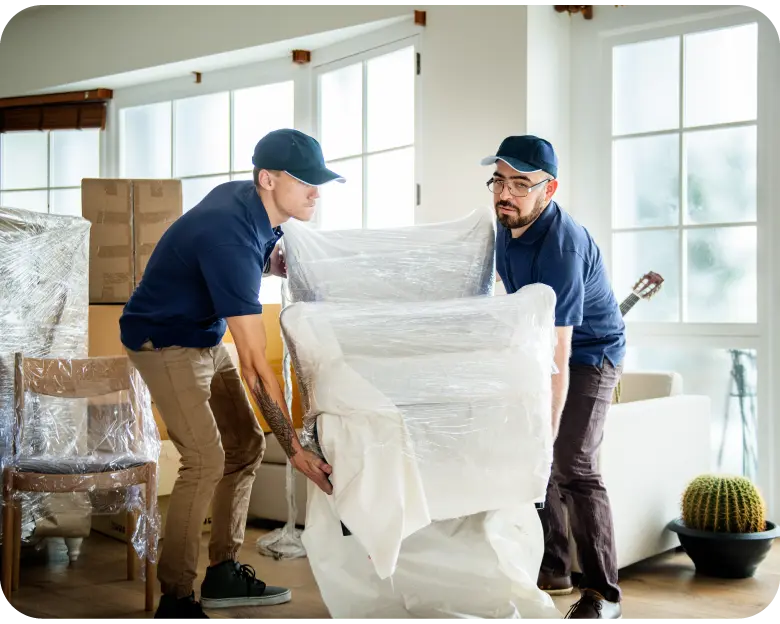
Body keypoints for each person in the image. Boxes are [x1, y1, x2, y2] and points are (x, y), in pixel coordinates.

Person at [119, 128, 344, 622]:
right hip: (163, 340)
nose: (316, 192)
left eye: (319, 182)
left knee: (244, 445)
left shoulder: (251, 205)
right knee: (204, 459)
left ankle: (222, 572)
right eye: (305, 181)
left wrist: (272, 263)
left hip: (203, 334)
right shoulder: (229, 234)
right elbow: (255, 367)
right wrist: (296, 451)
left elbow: (233, 259)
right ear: (268, 179)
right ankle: (176, 600)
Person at [481, 135, 626, 620]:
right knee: (533, 450)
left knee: (572, 462)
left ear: (549, 189)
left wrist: (547, 426)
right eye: (499, 180)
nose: (506, 193)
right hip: (537, 345)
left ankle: (604, 595)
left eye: (521, 184)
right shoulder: (507, 223)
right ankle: (554, 567)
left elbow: (560, 354)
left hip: (590, 353)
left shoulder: (562, 246)